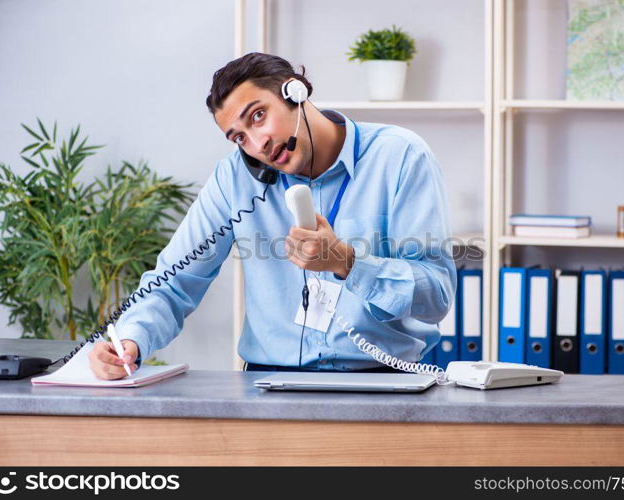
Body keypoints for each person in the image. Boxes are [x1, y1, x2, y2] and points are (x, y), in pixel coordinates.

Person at [89, 52, 456, 380]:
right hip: (266, 385)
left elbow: (436, 294)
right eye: (239, 137)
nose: (257, 144)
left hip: (382, 379)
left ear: (295, 91)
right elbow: (174, 280)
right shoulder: (237, 178)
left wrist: (347, 262)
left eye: (258, 116)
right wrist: (130, 340)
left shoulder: (400, 155)